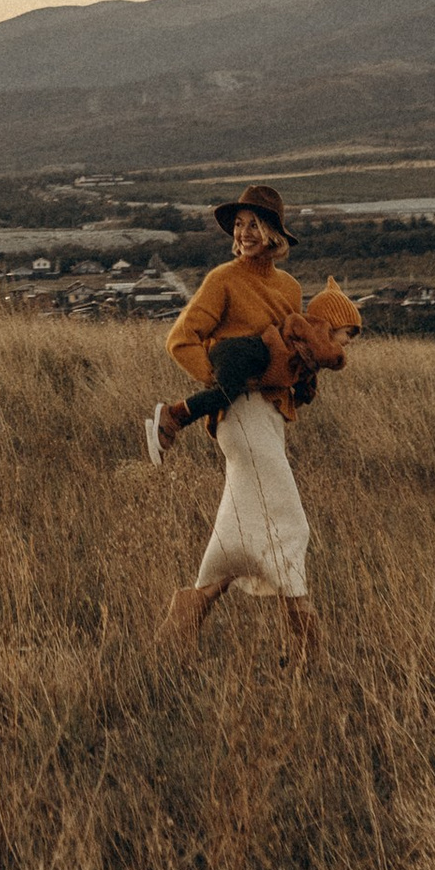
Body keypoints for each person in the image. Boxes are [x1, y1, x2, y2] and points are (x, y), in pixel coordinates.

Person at [144, 183, 360, 660]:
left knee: (238, 525)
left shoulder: (288, 288)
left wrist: (299, 376)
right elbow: (180, 341)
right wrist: (224, 381)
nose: (243, 233)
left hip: (271, 417)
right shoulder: (223, 279)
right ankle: (308, 647)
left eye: (252, 225)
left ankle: (187, 613)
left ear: (273, 234)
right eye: (238, 225)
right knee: (291, 522)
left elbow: (292, 347)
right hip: (237, 415)